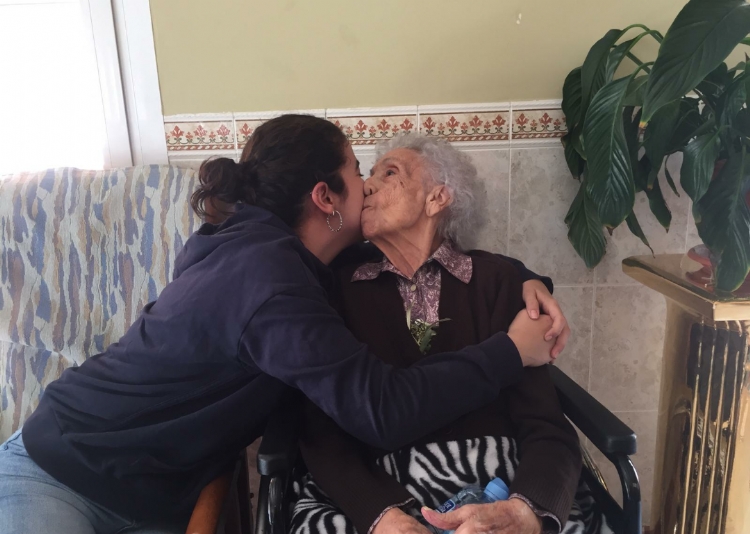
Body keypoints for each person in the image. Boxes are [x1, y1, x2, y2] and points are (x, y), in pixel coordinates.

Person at [0, 115, 568, 534]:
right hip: (64, 467)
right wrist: (511, 351)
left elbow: (446, 260)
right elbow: (382, 408)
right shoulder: (270, 280)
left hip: (153, 495)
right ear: (326, 199)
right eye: (358, 172)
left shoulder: (277, 254)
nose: (368, 185)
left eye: (380, 173)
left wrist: (524, 278)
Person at [289, 135, 610, 534]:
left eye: (390, 173)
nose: (368, 186)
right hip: (378, 487)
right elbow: (322, 432)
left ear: (437, 198)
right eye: (369, 174)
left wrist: (525, 511)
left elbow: (546, 426)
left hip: (498, 481)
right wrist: (382, 515)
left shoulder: (497, 281)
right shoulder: (336, 289)